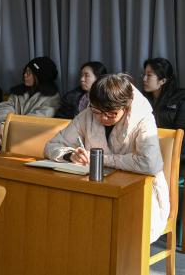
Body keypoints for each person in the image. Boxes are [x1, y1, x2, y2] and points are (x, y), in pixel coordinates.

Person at [44, 73, 169, 240]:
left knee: (116, 234)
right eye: (97, 111)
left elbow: (149, 164)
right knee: (65, 220)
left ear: (126, 106)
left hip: (139, 192)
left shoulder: (143, 118)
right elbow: (52, 146)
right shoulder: (88, 114)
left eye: (111, 114)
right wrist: (70, 155)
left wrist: (101, 159)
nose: (103, 118)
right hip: (96, 187)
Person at [0, 56, 61, 149]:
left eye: (29, 73)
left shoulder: (52, 98)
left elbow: (34, 121)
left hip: (30, 141)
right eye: (25, 71)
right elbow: (5, 106)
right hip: (7, 133)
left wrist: (8, 126)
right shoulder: (19, 90)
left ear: (40, 76)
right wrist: (3, 123)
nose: (25, 75)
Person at [143, 58, 185, 129]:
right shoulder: (141, 99)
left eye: (149, 75)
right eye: (144, 74)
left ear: (163, 81)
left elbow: (181, 132)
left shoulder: (180, 100)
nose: (144, 79)